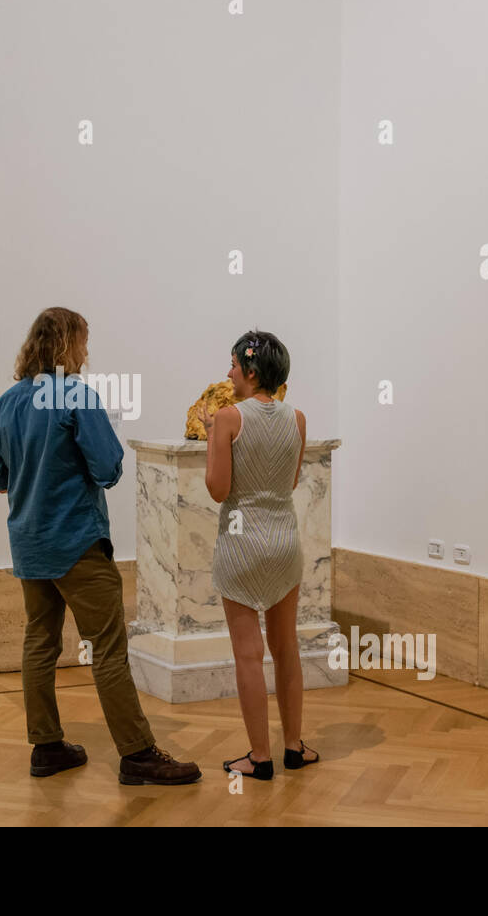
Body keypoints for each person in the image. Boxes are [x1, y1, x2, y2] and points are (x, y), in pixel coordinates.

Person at [0, 307, 201, 785]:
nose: (86, 353)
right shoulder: (75, 396)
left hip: (28, 544)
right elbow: (108, 469)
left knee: (39, 642)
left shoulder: (6, 403)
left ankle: (46, 748)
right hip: (78, 543)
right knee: (107, 647)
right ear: (66, 346)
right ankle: (137, 754)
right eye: (83, 343)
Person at [198, 330, 319, 781]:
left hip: (241, 542)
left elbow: (218, 490)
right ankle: (293, 747)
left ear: (251, 371)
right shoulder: (298, 418)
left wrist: (213, 435)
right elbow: (287, 484)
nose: (228, 373)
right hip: (284, 540)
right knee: (286, 649)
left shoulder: (229, 418)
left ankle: (259, 756)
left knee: (248, 655)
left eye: (232, 365)